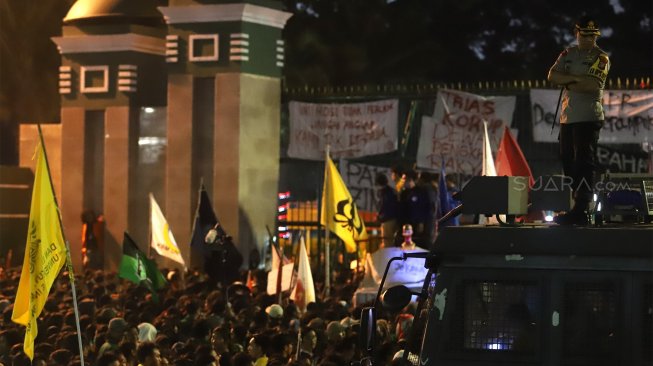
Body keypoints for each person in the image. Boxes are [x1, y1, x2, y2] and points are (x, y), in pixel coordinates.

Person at [548, 17, 610, 225]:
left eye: (592, 35)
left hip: (588, 116)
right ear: (577, 34)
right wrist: (576, 80)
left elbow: (592, 85)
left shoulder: (601, 57)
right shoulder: (569, 53)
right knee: (567, 158)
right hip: (568, 116)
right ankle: (575, 203)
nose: (588, 39)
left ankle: (582, 206)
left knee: (583, 161)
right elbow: (552, 76)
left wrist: (568, 80)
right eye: (584, 35)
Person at [374, 172, 399, 248]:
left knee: (387, 242)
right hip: (394, 218)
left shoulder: (384, 193)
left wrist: (379, 216)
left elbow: (383, 206)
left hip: (387, 219)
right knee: (391, 241)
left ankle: (388, 258)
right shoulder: (392, 191)